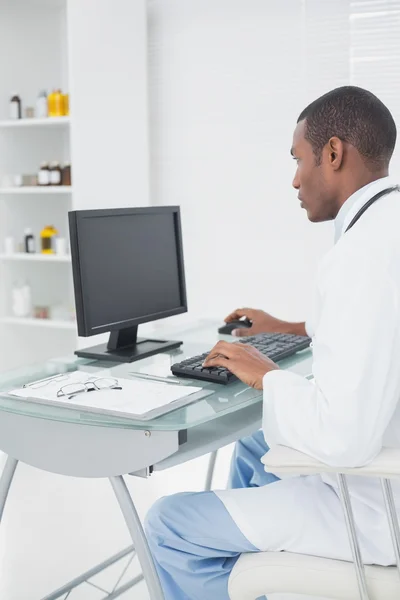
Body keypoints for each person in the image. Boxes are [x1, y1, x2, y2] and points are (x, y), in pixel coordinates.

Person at [145, 86, 400, 600]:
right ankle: (254, 569)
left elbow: (345, 438)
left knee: (167, 523)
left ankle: (251, 563)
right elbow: (380, 330)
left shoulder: (360, 256)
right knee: (254, 444)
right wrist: (289, 328)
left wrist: (267, 374)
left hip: (374, 504)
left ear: (333, 153)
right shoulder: (386, 228)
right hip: (381, 463)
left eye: (298, 159)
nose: (294, 179)